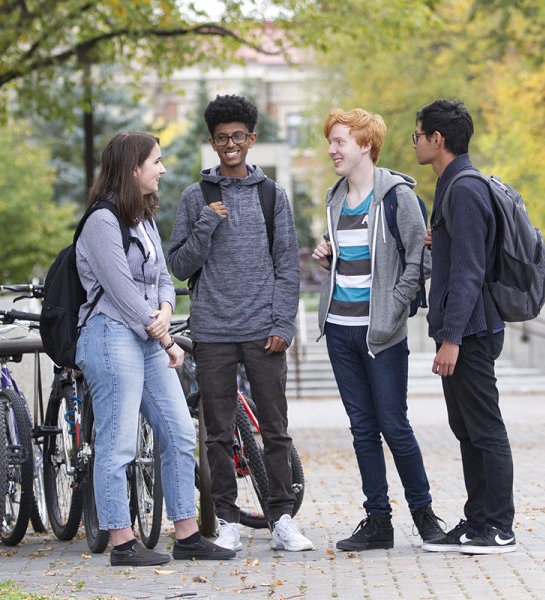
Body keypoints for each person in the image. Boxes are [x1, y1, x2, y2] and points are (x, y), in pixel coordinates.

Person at [75, 132, 236, 566]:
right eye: (156, 162)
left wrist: (166, 308)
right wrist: (164, 335)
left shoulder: (140, 219)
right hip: (110, 336)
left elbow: (164, 276)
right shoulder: (101, 222)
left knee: (180, 433)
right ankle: (123, 543)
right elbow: (121, 291)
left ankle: (187, 535)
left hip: (146, 335)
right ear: (132, 168)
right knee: (119, 440)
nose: (162, 169)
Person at [168, 95, 313, 553]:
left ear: (251, 139)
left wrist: (282, 323)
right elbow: (178, 264)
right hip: (211, 331)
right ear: (212, 143)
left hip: (262, 331)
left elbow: (287, 266)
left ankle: (282, 518)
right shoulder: (195, 198)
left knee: (275, 429)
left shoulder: (273, 196)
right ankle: (226, 519)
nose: (230, 144)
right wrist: (206, 226)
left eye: (238, 136)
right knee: (216, 433)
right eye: (221, 137)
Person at [311, 108, 445, 552]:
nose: (332, 149)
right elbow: (359, 262)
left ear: (365, 144)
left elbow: (419, 258)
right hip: (340, 331)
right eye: (331, 142)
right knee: (362, 429)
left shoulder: (397, 196)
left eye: (340, 141)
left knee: (394, 425)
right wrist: (330, 260)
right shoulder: (334, 199)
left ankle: (425, 517)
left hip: (381, 334)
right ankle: (378, 522)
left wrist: (392, 308)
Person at [412, 99, 517, 554]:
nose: (414, 142)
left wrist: (451, 338)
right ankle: (477, 521)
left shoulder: (465, 190)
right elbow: (464, 253)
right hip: (462, 329)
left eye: (417, 135)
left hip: (471, 331)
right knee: (468, 429)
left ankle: (498, 526)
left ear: (438, 140)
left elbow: (471, 271)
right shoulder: (452, 187)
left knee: (486, 429)